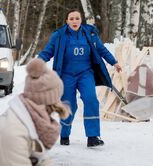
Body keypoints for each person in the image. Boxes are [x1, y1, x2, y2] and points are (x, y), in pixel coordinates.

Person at [0, 59, 69, 166]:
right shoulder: (13, 131)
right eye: (55, 106)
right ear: (47, 104)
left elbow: (41, 159)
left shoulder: (27, 121)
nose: (52, 117)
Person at [38, 9, 122, 147]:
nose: (74, 21)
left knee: (91, 100)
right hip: (66, 75)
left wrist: (114, 62)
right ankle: (64, 134)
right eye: (71, 19)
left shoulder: (90, 33)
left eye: (77, 18)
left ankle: (93, 136)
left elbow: (101, 49)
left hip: (85, 74)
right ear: (66, 21)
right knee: (68, 105)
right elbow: (47, 52)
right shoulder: (59, 35)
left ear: (81, 20)